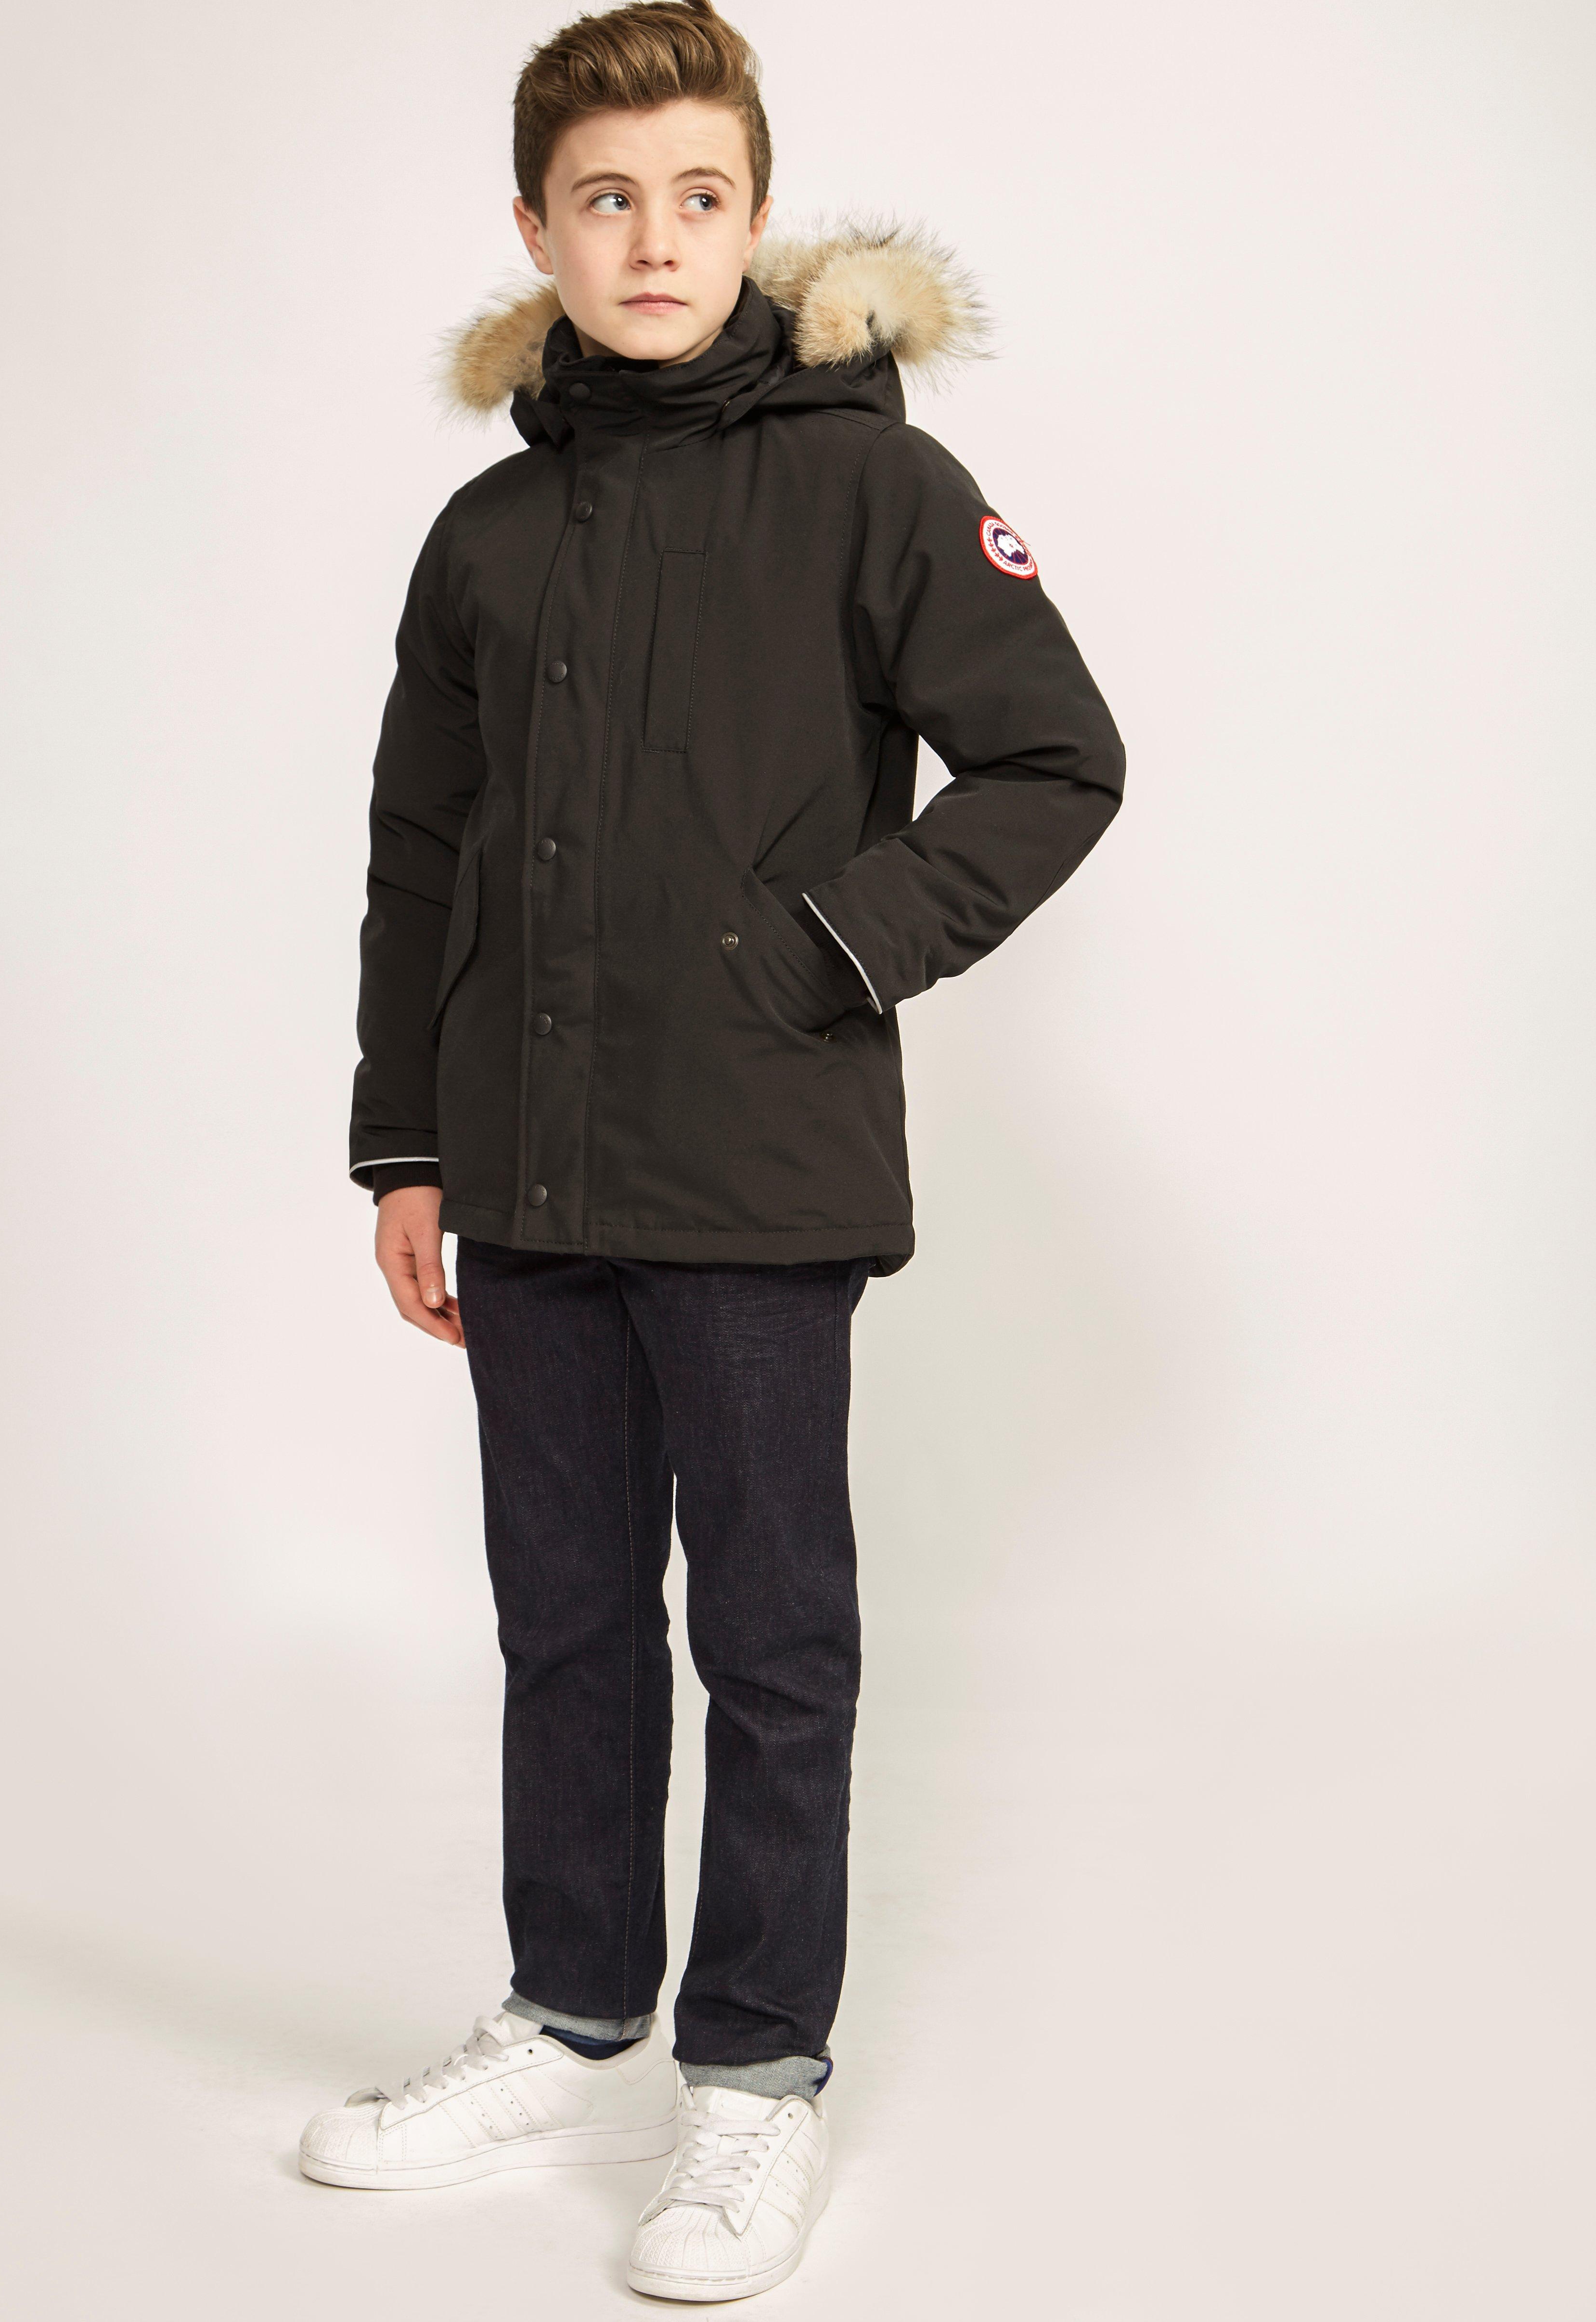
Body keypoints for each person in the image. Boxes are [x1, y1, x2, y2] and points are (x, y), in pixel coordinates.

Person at [299, 0, 1125, 2298]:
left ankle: (754, 2080)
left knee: (771, 1638)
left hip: (756, 1167)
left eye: (696, 196)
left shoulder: (871, 489)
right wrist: (405, 1146)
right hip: (524, 1174)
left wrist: (828, 946)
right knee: (565, 1620)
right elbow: (419, 852)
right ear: (537, 231)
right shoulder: (487, 534)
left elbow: (1055, 762)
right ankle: (575, 2019)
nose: (652, 239)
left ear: (753, 218)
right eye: (606, 200)